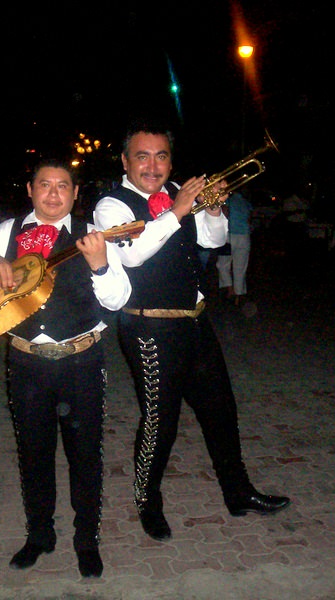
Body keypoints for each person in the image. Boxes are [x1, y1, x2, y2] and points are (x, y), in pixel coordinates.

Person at [93, 122, 290, 542]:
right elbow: (133, 256)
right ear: (126, 161)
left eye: (161, 155)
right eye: (142, 156)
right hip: (147, 325)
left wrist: (214, 208)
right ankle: (149, 503)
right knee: (159, 423)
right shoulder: (112, 205)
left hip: (194, 319)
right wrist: (178, 210)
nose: (153, 165)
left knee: (222, 411)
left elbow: (213, 240)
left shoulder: (178, 190)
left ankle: (238, 493)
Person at [0, 159, 132, 578]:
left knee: (86, 457)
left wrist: (100, 264)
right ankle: (39, 536)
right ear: (30, 190)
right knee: (33, 454)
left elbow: (118, 299)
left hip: (82, 360)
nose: (53, 193)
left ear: (75, 193)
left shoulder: (92, 236)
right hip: (26, 361)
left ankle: (87, 541)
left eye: (62, 186)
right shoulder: (6, 232)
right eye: (44, 185)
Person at [216, 190, 253, 305]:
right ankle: (238, 294)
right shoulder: (247, 203)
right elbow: (249, 220)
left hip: (229, 237)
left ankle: (229, 288)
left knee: (222, 264)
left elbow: (224, 214)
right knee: (240, 267)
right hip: (244, 237)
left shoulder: (228, 201)